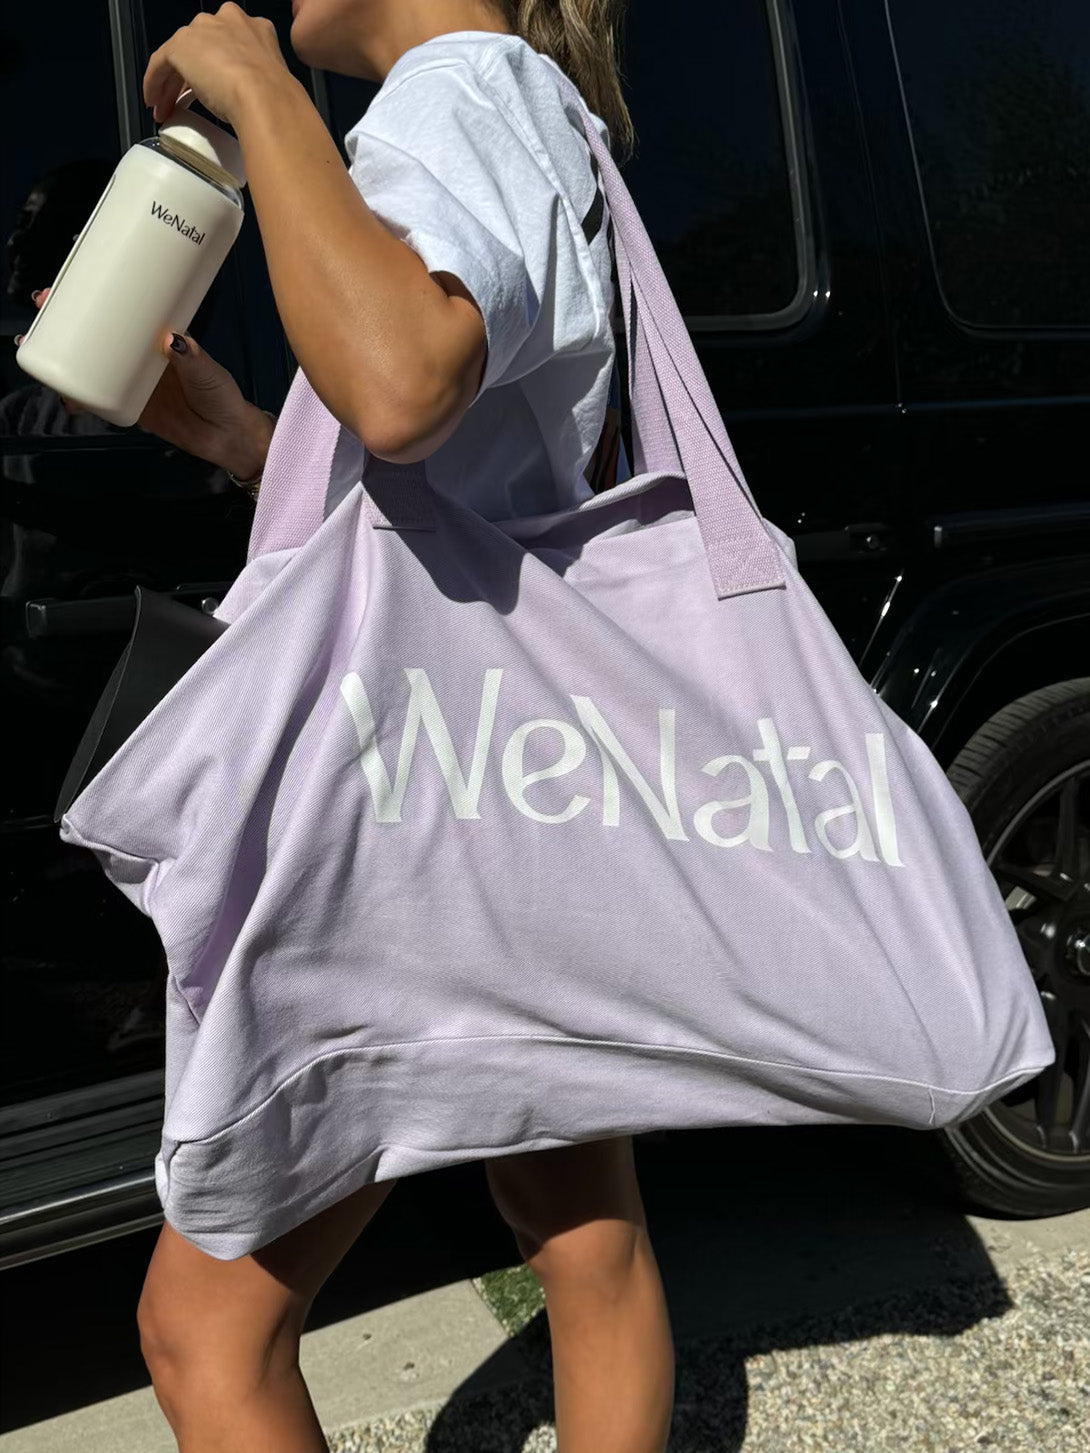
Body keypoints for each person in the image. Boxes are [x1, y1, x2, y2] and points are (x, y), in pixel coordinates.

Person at [29, 3, 674, 1450]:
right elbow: (453, 480)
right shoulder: (526, 107)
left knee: (204, 1335)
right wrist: (250, 437)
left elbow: (398, 385)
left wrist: (261, 91)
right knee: (580, 1237)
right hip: (507, 781)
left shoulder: (458, 89)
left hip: (412, 819)